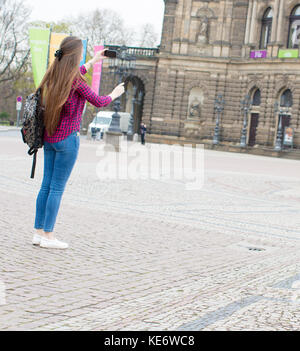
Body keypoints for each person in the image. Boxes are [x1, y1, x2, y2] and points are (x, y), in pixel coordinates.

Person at [32, 36, 125, 249]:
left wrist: (93, 61)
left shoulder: (53, 74)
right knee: (56, 188)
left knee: (46, 185)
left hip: (50, 138)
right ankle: (49, 236)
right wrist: (114, 94)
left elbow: (75, 74)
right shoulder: (75, 82)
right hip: (67, 141)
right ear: (74, 57)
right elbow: (99, 101)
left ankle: (37, 233)